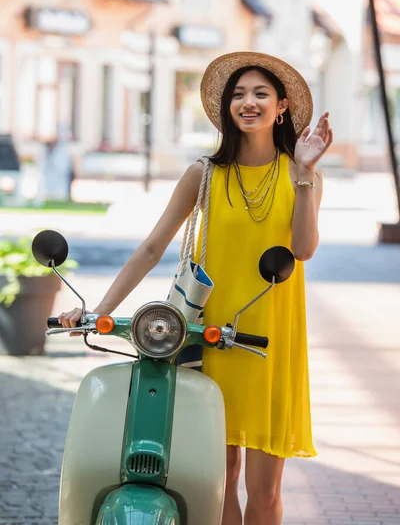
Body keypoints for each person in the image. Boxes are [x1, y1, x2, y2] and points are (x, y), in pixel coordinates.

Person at [58, 51, 333, 525]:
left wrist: (306, 175)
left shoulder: (299, 173)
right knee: (216, 484)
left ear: (282, 106)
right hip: (209, 336)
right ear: (226, 107)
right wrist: (99, 309)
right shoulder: (203, 174)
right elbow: (151, 248)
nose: (248, 102)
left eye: (260, 94)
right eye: (238, 95)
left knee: (264, 494)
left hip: (268, 341)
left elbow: (304, 250)